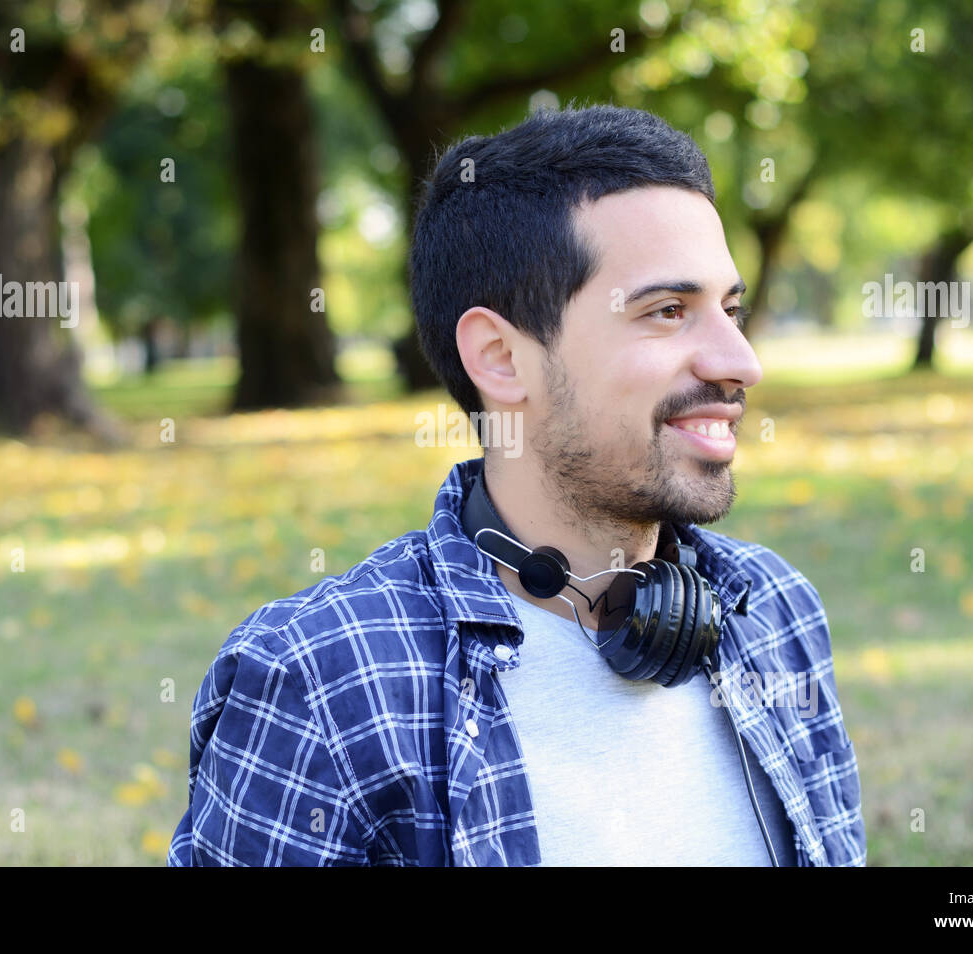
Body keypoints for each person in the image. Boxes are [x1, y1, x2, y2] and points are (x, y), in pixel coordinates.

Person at [167, 103, 866, 866]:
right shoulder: (320, 682)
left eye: (731, 310)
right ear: (500, 359)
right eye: (668, 311)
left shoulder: (771, 611)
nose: (740, 362)